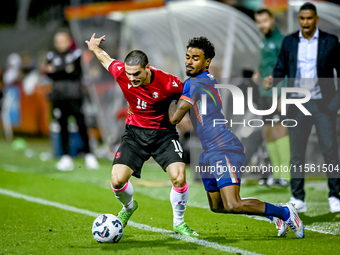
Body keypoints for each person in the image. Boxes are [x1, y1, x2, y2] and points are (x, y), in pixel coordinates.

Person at [169, 36, 304, 238]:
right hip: (209, 153)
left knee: (233, 203)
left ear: (207, 62)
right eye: (187, 57)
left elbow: (174, 117)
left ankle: (285, 212)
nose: (189, 61)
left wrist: (157, 103)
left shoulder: (196, 82)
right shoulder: (199, 81)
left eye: (195, 58)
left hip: (223, 148)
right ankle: (273, 213)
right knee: (218, 206)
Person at [85, 33, 198, 236]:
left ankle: (179, 222)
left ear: (147, 68)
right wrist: (94, 47)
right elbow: (106, 60)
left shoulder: (168, 83)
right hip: (135, 134)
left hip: (164, 135)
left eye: (136, 74)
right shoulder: (122, 73)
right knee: (117, 181)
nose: (132, 78)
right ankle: (129, 207)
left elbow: (187, 97)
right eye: (129, 74)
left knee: (179, 178)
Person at [263, 2, 340, 213]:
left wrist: (336, 103)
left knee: (329, 150)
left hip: (323, 105)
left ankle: (335, 195)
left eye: (309, 18)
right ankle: (298, 197)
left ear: (315, 19)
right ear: (299, 20)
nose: (306, 22)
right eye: (302, 18)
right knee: (297, 153)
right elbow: (281, 67)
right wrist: (273, 79)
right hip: (296, 104)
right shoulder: (289, 42)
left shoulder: (330, 41)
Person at [46, 31, 99, 171]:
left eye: (63, 41)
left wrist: (57, 70)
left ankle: (89, 155)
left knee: (81, 124)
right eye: (58, 41)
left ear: (69, 41)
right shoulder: (51, 55)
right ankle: (65, 157)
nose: (60, 44)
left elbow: (75, 72)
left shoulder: (76, 54)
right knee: (62, 126)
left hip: (75, 96)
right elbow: (48, 73)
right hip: (58, 96)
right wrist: (64, 70)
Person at [253, 8, 290, 187]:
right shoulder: (263, 41)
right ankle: (275, 174)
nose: (262, 25)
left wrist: (283, 95)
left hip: (277, 92)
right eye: (259, 22)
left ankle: (286, 175)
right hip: (264, 93)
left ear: (272, 20)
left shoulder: (281, 40)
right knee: (268, 131)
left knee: (280, 130)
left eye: (265, 21)